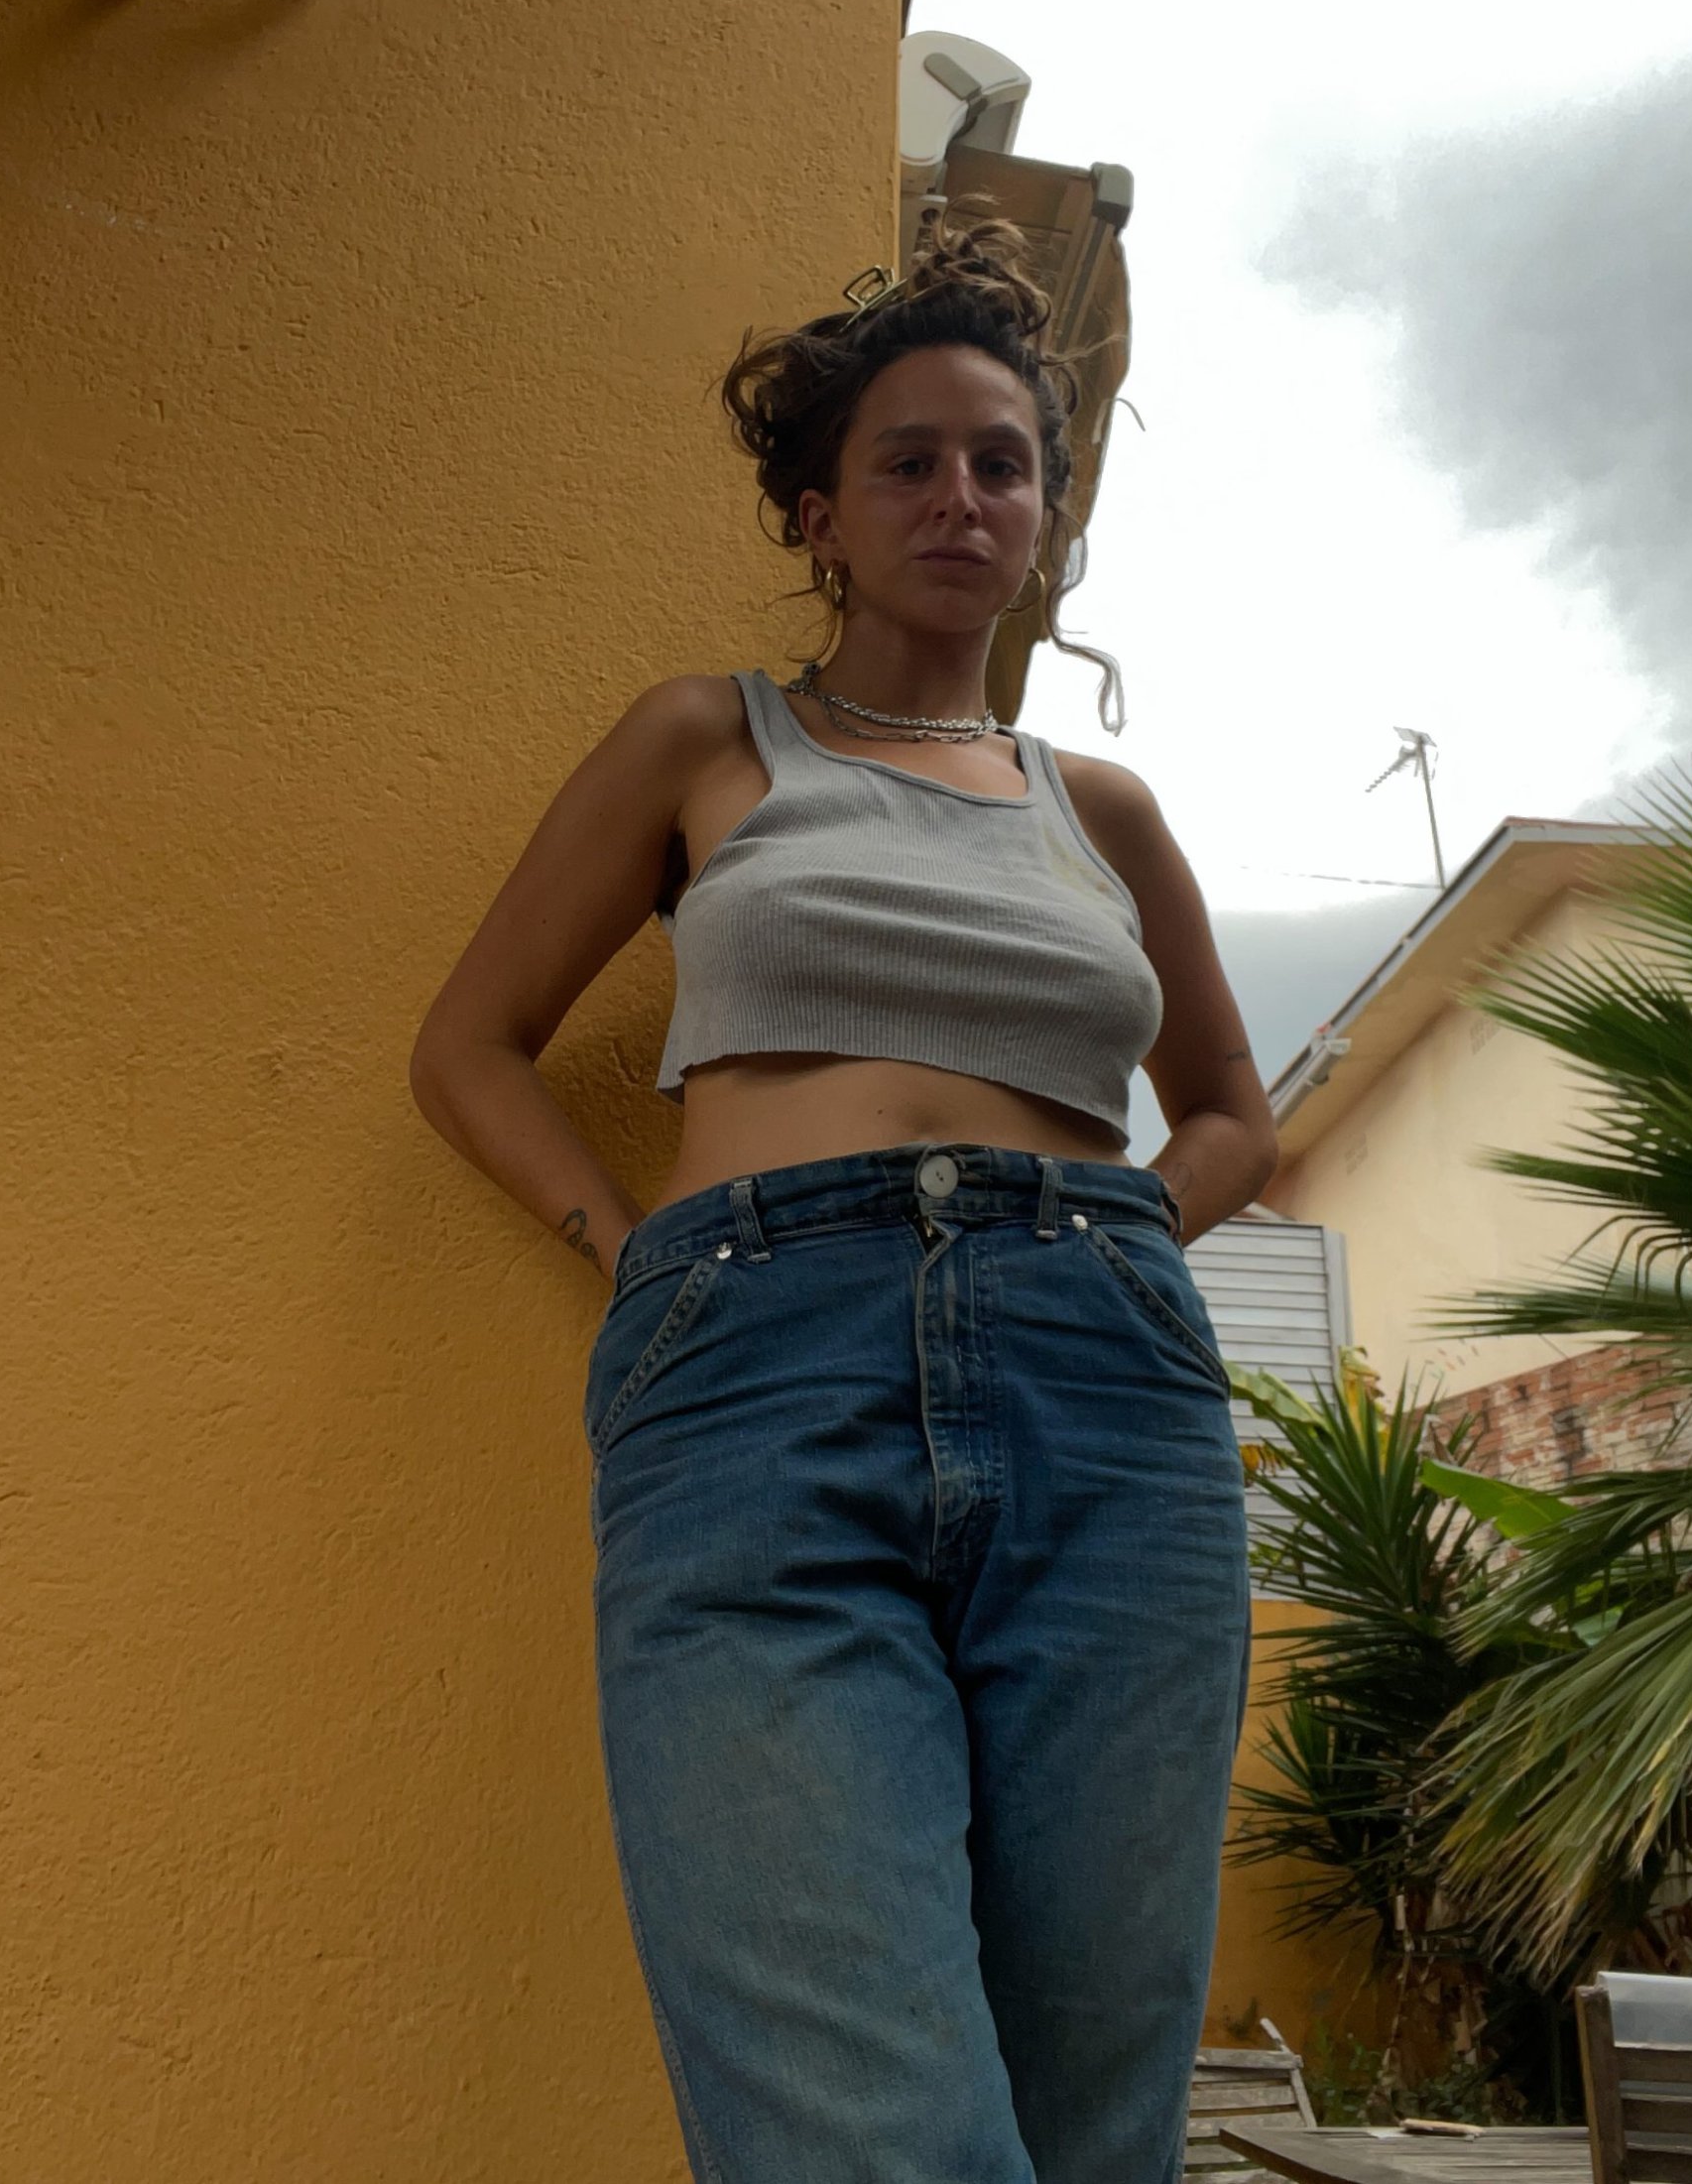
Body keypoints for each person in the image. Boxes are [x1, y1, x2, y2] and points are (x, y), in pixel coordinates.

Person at [409, 215, 1279, 2184]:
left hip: (1107, 1396)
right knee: (860, 2113)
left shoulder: (1102, 811)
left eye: (1002, 463)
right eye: (909, 460)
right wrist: (637, 1257)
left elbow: (1234, 1115)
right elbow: (468, 1049)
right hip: (759, 1373)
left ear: (1043, 518)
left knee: (1088, 2108)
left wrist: (1124, 1232)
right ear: (820, 515)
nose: (960, 495)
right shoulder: (706, 738)